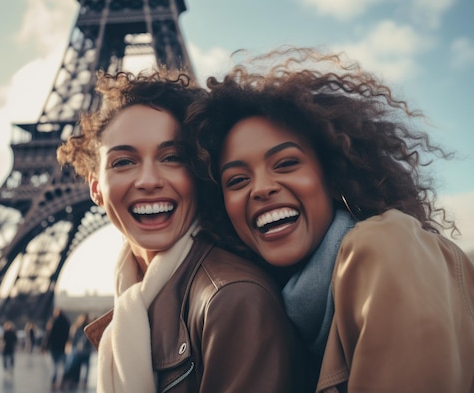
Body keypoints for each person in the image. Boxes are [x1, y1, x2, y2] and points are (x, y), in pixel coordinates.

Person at [185, 47, 474, 392]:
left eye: (286, 163)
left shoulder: (383, 245)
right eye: (237, 180)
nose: (260, 188)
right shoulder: (291, 303)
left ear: (332, 176)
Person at [56, 69, 307, 392]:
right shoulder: (137, 296)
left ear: (198, 172)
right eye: (123, 162)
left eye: (172, 157)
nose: (148, 180)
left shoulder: (232, 298)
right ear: (95, 188)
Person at [61, 313, 93, 389]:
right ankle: (82, 382)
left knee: (76, 367)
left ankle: (76, 382)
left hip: (79, 351)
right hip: (83, 351)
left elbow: (71, 339)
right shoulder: (84, 328)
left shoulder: (77, 327)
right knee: (82, 367)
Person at [42, 308, 71, 388]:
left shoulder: (53, 322)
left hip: (53, 347)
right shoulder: (66, 322)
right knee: (63, 365)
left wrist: (44, 346)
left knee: (54, 366)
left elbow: (48, 336)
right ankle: (63, 380)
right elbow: (68, 335)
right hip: (62, 347)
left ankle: (54, 382)